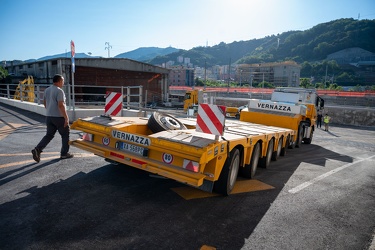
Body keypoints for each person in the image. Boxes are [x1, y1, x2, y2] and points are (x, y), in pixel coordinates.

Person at [32, 74, 73, 162]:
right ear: (59, 81)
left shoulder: (47, 90)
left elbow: (45, 102)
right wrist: (66, 118)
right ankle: (64, 154)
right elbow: (61, 105)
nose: (63, 83)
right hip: (59, 117)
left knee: (49, 135)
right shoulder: (59, 91)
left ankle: (38, 149)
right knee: (65, 134)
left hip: (49, 116)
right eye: (62, 81)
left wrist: (50, 111)